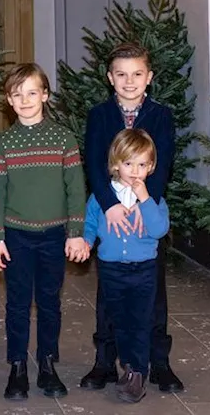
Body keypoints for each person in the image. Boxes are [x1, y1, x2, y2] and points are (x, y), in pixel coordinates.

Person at [80, 42, 183, 393]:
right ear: (110, 78)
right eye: (121, 74)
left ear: (149, 77)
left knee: (153, 297)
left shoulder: (161, 115)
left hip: (145, 214)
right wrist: (109, 205)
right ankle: (104, 362)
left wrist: (144, 205)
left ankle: (160, 363)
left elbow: (162, 164)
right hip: (111, 213)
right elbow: (94, 163)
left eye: (137, 74)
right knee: (109, 296)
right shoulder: (99, 115)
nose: (129, 81)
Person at [0, 63, 88, 401]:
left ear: (45, 95)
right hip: (16, 235)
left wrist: (76, 232)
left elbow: (76, 189)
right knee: (17, 303)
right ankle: (17, 365)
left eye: (33, 92)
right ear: (9, 101)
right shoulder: (4, 143)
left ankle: (47, 363)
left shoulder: (63, 138)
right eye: (18, 94)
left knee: (49, 301)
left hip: (54, 234)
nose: (26, 99)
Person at [83, 128, 170, 404]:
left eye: (142, 164)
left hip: (143, 270)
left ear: (152, 167)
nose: (135, 171)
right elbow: (90, 223)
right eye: (128, 163)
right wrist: (85, 242)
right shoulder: (103, 197)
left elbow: (159, 230)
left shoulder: (153, 199)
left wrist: (144, 200)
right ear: (115, 165)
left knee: (141, 322)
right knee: (119, 322)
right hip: (111, 269)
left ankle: (138, 374)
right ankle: (129, 367)